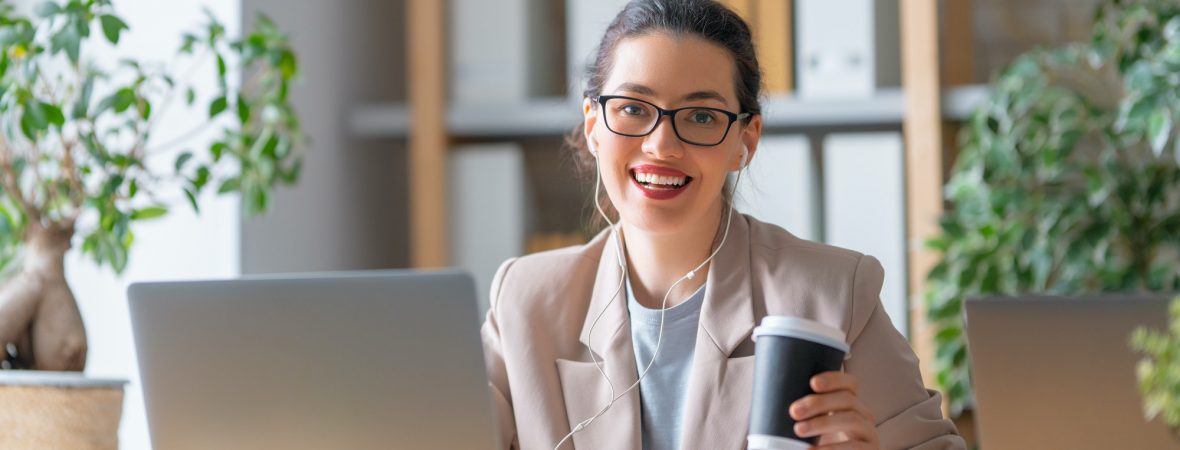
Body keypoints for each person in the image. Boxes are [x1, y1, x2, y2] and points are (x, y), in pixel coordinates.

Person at [480, 1, 966, 449]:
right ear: (593, 124)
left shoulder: (832, 294)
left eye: (701, 116)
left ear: (745, 141)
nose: (661, 145)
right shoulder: (524, 299)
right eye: (632, 109)